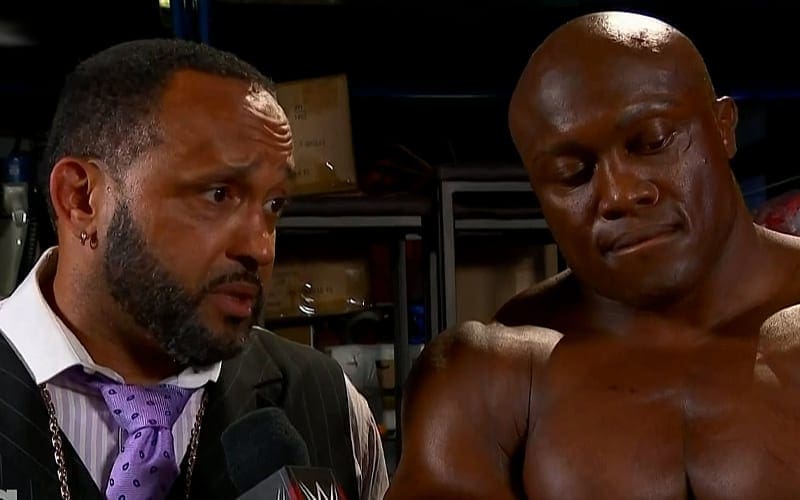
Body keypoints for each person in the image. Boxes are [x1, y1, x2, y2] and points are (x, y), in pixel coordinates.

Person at [386, 10, 800, 499]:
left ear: (724, 127)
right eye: (573, 174)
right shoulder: (488, 379)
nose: (618, 194)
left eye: (653, 142)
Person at [0, 39, 388, 500]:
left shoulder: (329, 403)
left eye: (274, 205)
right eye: (218, 195)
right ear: (81, 199)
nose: (260, 248)